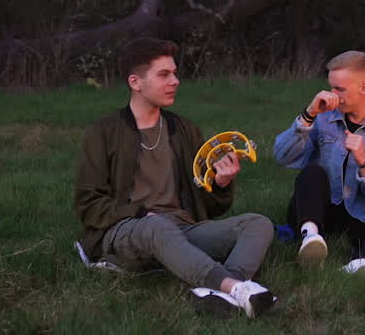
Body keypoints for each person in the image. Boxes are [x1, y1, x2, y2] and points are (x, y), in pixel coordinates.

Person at [73, 38, 276, 318]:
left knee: (258, 223)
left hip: (181, 228)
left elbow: (209, 205)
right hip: (129, 228)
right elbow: (89, 204)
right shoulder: (103, 132)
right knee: (158, 226)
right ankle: (236, 288)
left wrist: (220, 184)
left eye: (175, 73)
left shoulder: (183, 130)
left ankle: (218, 293)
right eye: (164, 74)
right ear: (136, 82)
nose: (175, 81)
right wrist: (142, 213)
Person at [273, 50, 365, 279]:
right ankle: (311, 239)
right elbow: (282, 156)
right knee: (312, 172)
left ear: (364, 87)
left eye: (340, 89)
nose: (332, 95)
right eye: (331, 87)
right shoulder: (322, 118)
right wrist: (309, 114)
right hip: (316, 209)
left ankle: (360, 266)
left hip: (359, 214)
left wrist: (364, 162)